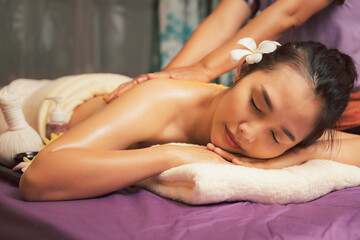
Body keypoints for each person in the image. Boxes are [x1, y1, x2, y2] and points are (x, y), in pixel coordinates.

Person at [19, 41, 358, 201]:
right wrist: (171, 154)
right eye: (256, 104)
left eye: (278, 137)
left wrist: (294, 156)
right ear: (241, 71)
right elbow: (38, 179)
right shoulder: (160, 100)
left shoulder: (295, 124)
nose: (248, 132)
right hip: (49, 103)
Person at [104, 0, 360, 132]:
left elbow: (288, 12)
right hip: (281, 105)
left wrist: (204, 69)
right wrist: (159, 86)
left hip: (345, 113)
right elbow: (224, 20)